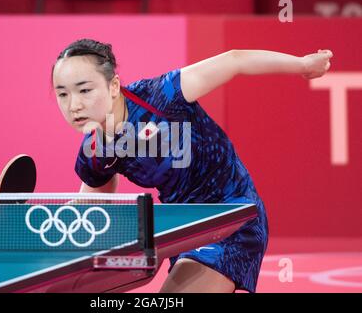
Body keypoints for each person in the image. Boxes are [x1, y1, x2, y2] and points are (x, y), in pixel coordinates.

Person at [50, 39, 332, 293]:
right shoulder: (95, 152)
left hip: (233, 215)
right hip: (185, 229)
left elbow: (235, 60)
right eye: (62, 94)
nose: (73, 105)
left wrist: (303, 64)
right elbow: (90, 210)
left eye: (84, 90)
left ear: (113, 86)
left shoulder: (162, 96)